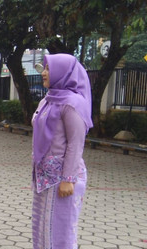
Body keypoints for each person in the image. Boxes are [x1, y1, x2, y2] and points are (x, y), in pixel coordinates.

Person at [31, 54, 92, 249]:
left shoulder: (73, 103)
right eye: (45, 68)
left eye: (49, 69)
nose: (44, 73)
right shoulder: (48, 100)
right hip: (45, 178)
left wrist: (68, 179)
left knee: (61, 232)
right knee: (42, 228)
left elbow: (76, 144)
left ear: (63, 72)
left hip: (63, 180)